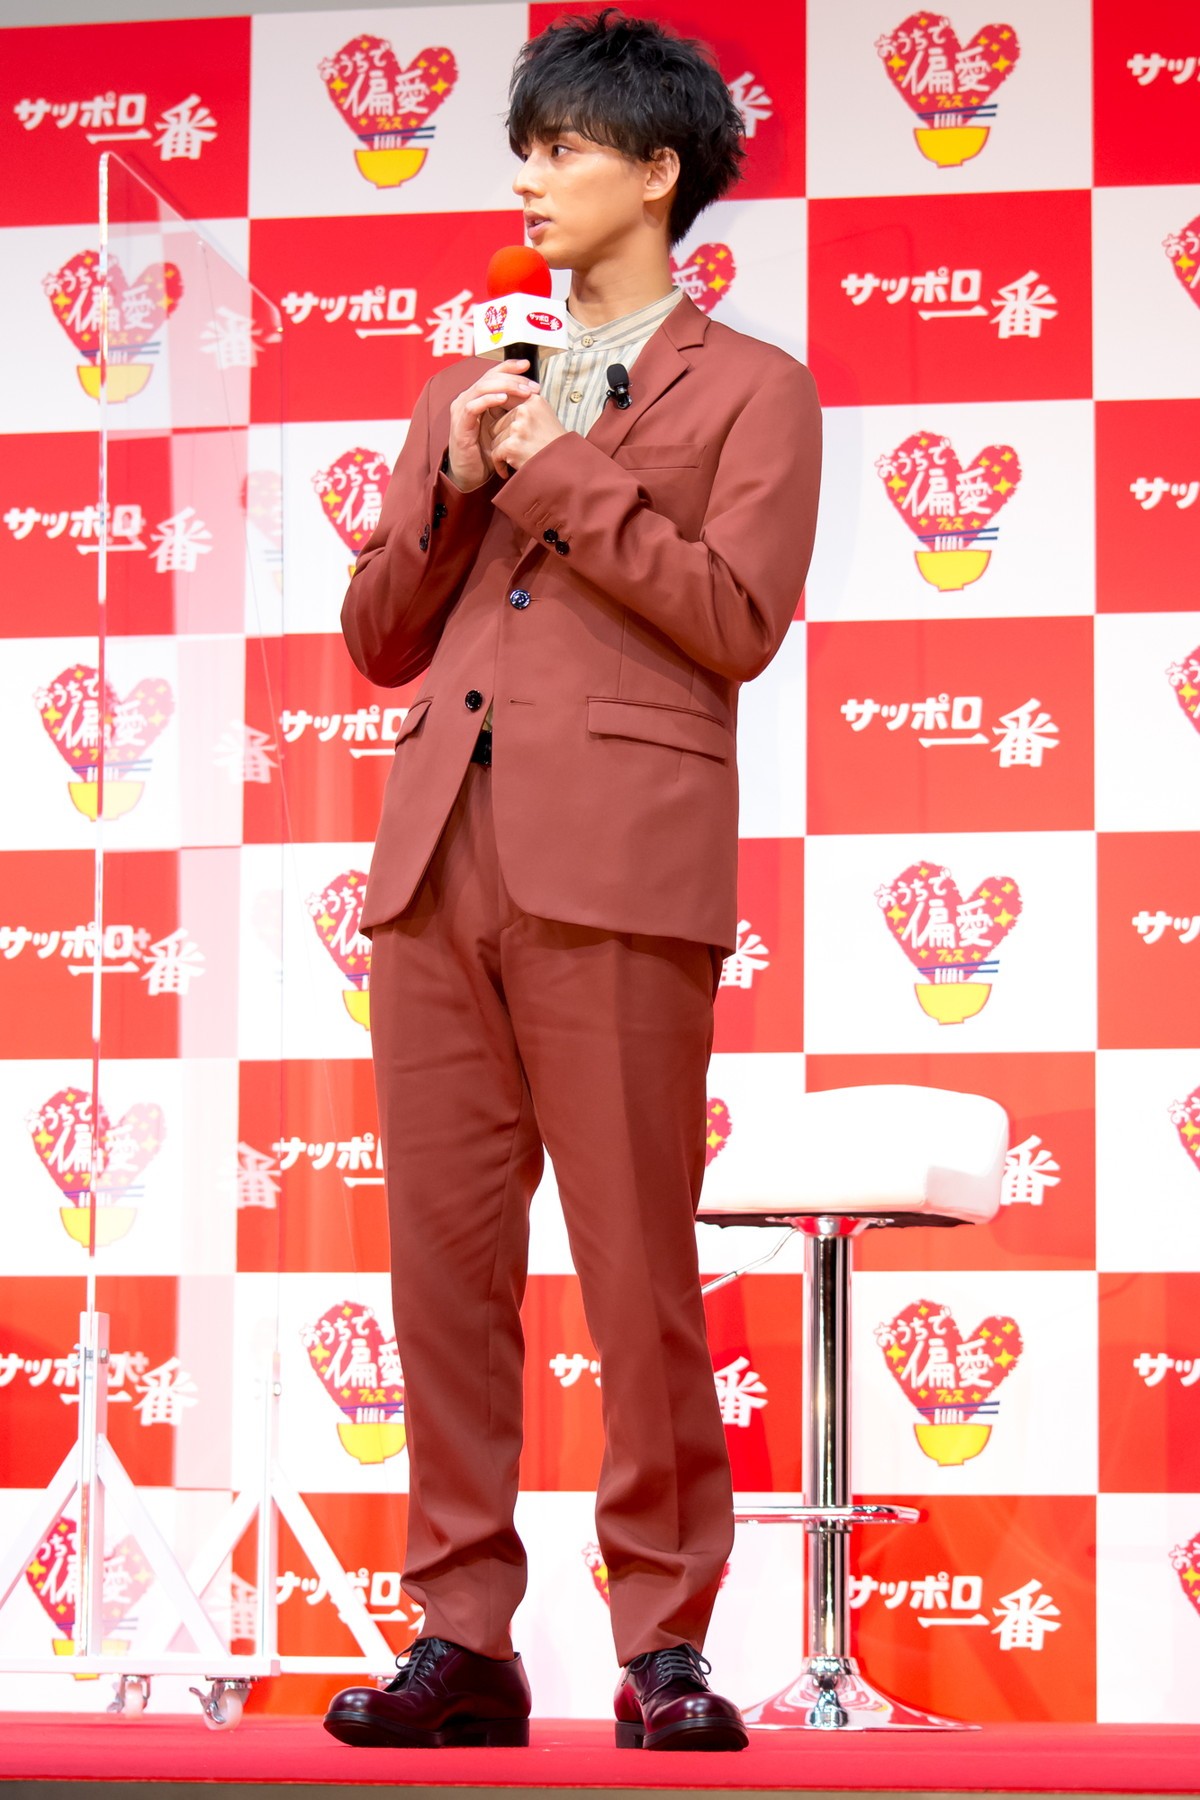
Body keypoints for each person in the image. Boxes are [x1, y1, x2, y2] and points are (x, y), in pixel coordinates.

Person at [322, 6, 821, 1755]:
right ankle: (462, 1637)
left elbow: (732, 618)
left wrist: (552, 466)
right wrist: (456, 477)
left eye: (563, 150)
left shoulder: (755, 386)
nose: (529, 182)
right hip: (432, 868)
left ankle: (664, 1639)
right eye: (522, 152)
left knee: (635, 1273)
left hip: (618, 866)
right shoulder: (465, 386)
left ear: (659, 170)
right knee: (441, 1280)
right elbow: (378, 638)